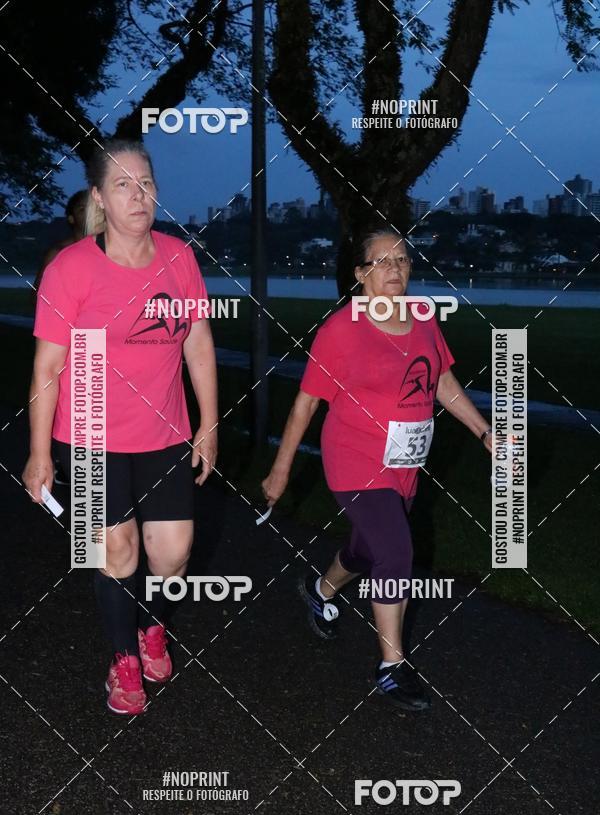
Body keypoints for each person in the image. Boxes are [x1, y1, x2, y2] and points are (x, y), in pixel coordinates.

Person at [22, 139, 218, 716]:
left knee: (173, 555)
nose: (140, 194)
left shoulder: (179, 258)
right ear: (101, 199)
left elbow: (199, 346)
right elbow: (47, 367)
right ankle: (122, 660)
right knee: (116, 551)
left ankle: (152, 627)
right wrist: (39, 455)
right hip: (86, 432)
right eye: (125, 185)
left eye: (147, 182)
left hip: (165, 430)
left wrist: (209, 425)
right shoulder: (72, 267)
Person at [262, 226, 493, 713]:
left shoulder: (424, 320)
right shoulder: (341, 330)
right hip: (355, 459)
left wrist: (484, 431)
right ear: (361, 274)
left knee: (369, 549)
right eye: (383, 262)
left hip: (405, 464)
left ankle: (319, 588)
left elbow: (443, 382)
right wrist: (281, 470)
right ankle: (391, 666)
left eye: (403, 261)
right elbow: (305, 404)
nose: (395, 270)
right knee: (395, 549)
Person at [33, 190, 89, 485]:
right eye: (81, 208)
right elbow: (41, 299)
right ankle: (58, 457)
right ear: (70, 217)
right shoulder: (59, 255)